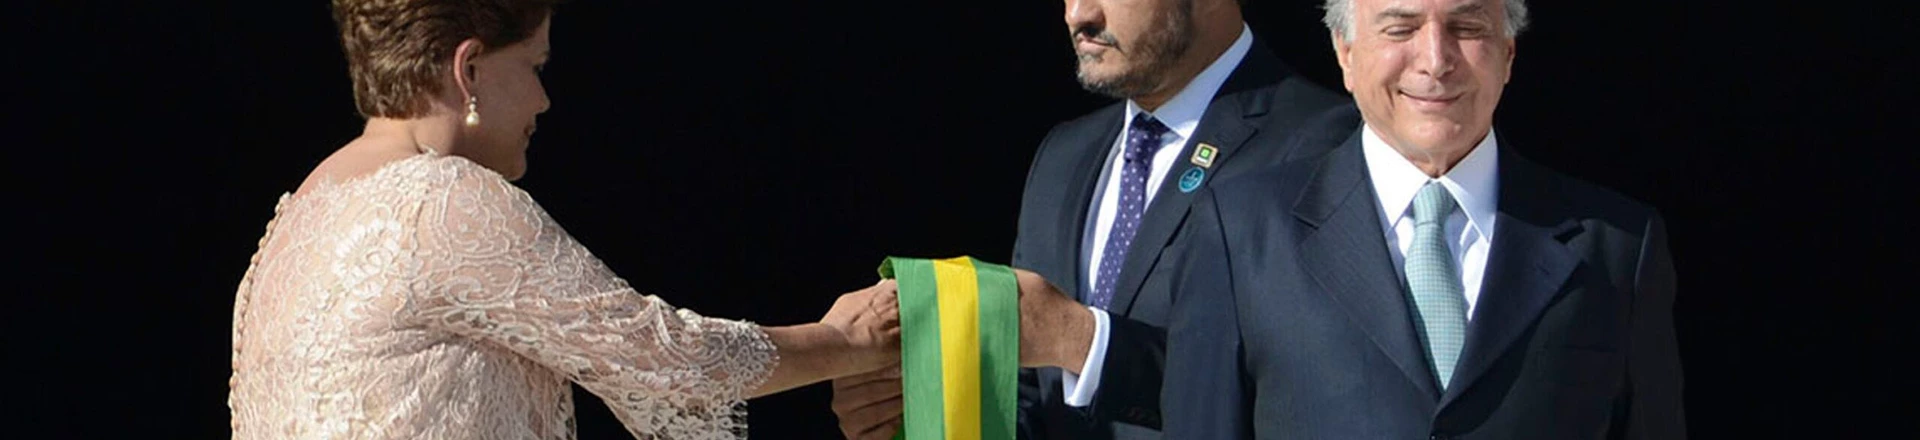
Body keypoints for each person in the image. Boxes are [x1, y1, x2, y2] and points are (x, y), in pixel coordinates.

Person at [226, 1, 901, 438]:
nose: (545, 98)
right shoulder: (437, 201)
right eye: (534, 64)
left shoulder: (298, 216)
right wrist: (846, 339)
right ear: (470, 68)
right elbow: (664, 357)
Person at [829, 0, 1357, 437]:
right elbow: (1034, 399)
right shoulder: (1064, 154)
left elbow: (1307, 392)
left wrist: (1082, 340)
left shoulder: (1326, 145)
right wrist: (919, 411)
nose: (1078, 15)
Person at [1160, 0, 1687, 438]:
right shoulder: (1240, 230)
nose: (1435, 60)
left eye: (1466, 27)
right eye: (1401, 28)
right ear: (1346, 53)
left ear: (1508, 54)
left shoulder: (1616, 246)